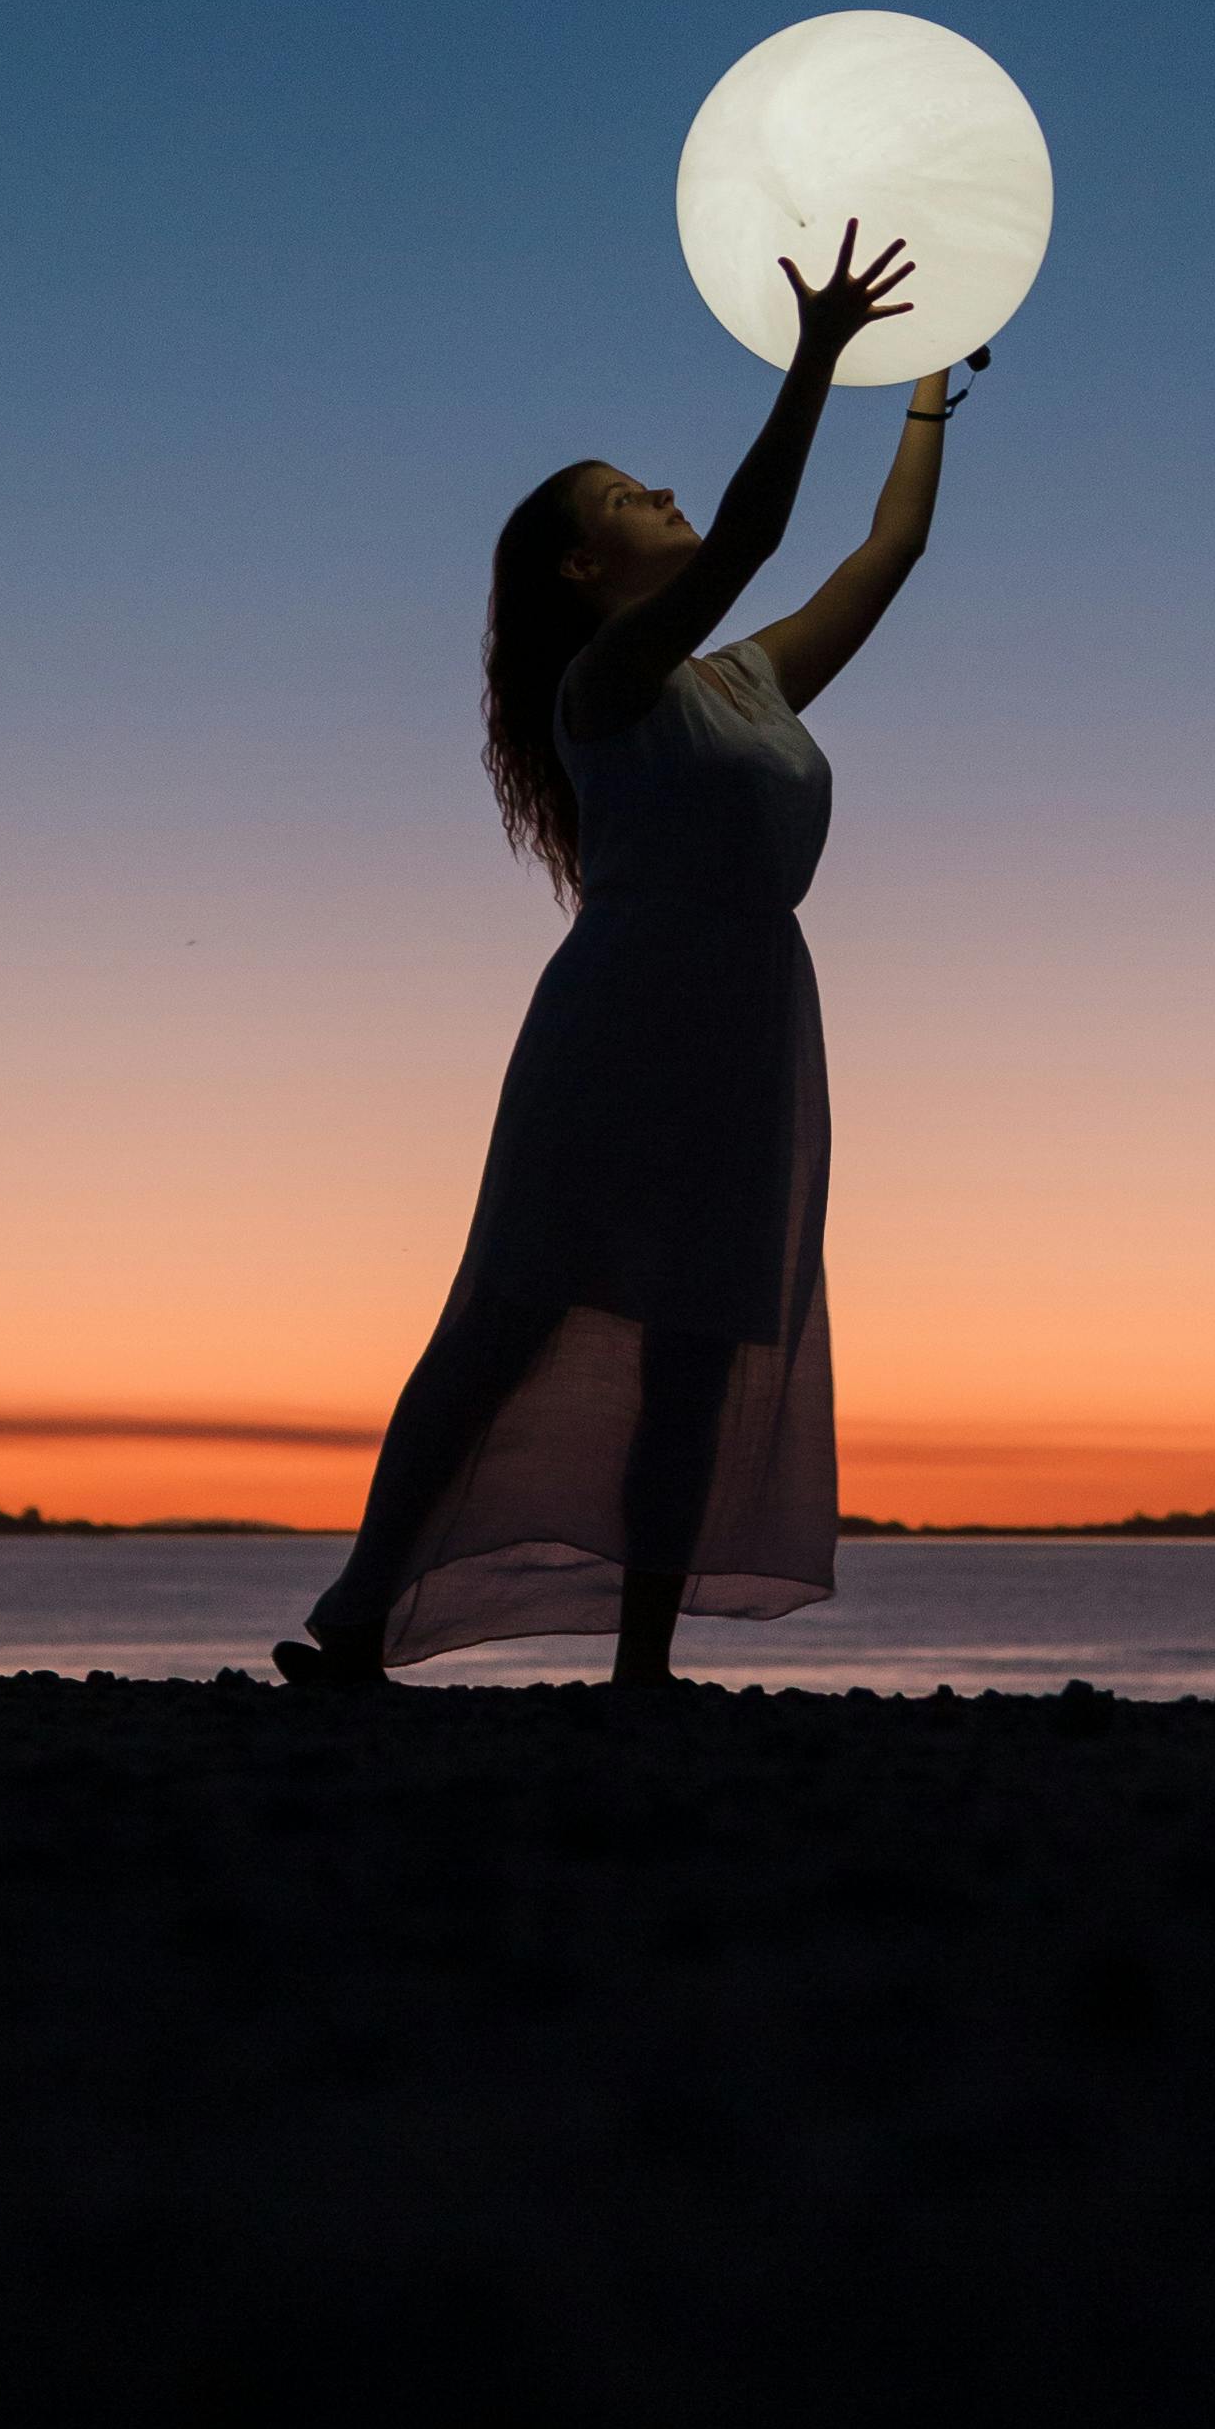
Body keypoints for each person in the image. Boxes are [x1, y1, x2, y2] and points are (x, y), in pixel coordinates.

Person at [281, 219, 974, 1695]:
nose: (657, 489)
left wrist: (917, 397)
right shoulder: (604, 684)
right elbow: (752, 538)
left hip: (751, 1016)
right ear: (589, 566)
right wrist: (816, 357)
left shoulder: (747, 680)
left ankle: (643, 1670)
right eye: (625, 495)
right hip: (622, 1018)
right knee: (513, 1311)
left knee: (698, 1347)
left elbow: (888, 551)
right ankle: (358, 1614)